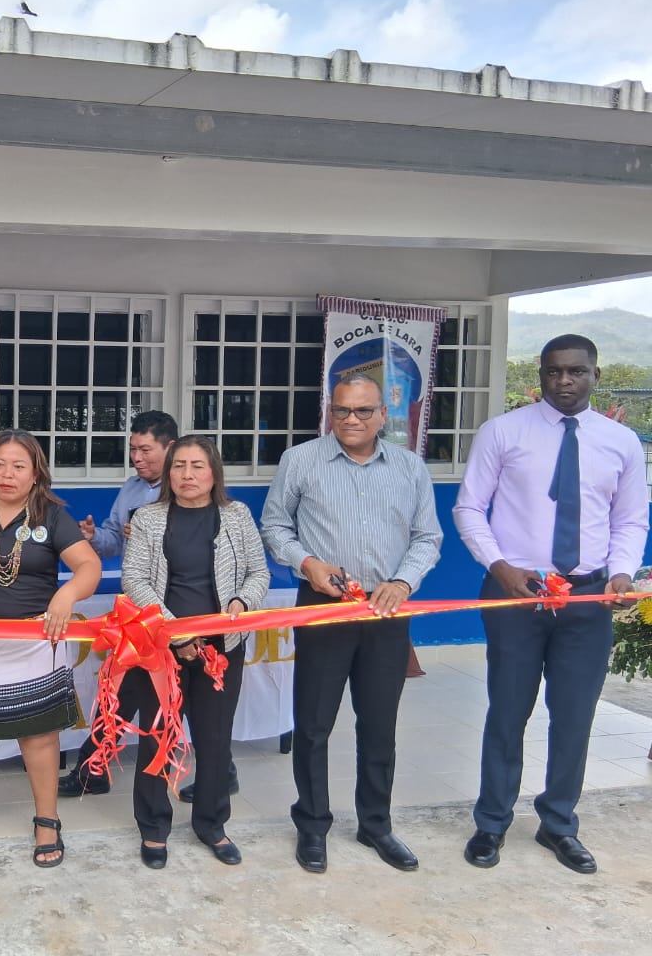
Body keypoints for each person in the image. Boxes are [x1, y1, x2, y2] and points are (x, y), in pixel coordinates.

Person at [454, 334, 648, 874]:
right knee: (507, 711)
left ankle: (559, 823)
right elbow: (469, 507)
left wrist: (621, 572)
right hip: (516, 594)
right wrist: (499, 567)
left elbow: (631, 519)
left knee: (574, 716)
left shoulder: (621, 443)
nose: (564, 381)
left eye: (575, 371)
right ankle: (492, 822)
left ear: (595, 375)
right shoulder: (503, 432)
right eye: (553, 371)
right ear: (540, 375)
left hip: (588, 599)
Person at [261, 372, 441, 874]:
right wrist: (307, 563)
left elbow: (427, 537)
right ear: (330, 413)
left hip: (386, 610)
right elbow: (274, 525)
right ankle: (312, 824)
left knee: (380, 725)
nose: (352, 420)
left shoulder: (409, 467)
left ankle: (376, 825)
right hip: (324, 607)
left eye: (363, 410)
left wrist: (402, 582)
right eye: (341, 410)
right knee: (313, 724)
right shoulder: (300, 460)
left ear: (383, 415)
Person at [0, 430, 101, 867]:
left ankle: (47, 820)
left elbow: (89, 566)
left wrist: (66, 596)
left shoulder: (53, 516)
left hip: (38, 639)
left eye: (18, 466)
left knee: (40, 736)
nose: (7, 474)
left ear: (35, 473)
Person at [121, 435, 269, 869]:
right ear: (169, 474)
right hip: (164, 648)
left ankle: (212, 824)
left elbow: (259, 572)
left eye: (197, 466)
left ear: (214, 473)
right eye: (179, 466)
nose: (187, 475)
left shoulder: (237, 516)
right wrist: (176, 634)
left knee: (215, 738)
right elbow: (135, 580)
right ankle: (153, 828)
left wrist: (242, 601)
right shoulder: (149, 518)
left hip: (222, 649)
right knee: (159, 737)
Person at [60, 410, 178, 797]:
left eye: (146, 450)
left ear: (170, 447)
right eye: (133, 450)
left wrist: (151, 534)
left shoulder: (186, 487)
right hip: (136, 610)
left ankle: (219, 769)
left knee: (176, 692)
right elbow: (113, 541)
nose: (137, 459)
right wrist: (94, 538)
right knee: (120, 685)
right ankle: (92, 767)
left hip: (174, 608)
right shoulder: (130, 488)